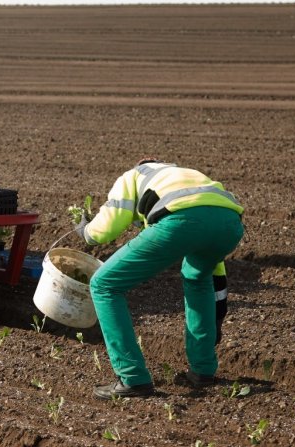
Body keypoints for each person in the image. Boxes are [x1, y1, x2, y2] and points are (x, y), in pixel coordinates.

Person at [78, 159, 244, 399]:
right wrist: (218, 314)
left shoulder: (133, 175)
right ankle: (203, 370)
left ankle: (132, 378)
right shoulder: (186, 175)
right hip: (230, 224)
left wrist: (85, 231)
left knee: (104, 284)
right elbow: (216, 273)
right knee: (198, 277)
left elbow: (109, 226)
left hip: (180, 221)